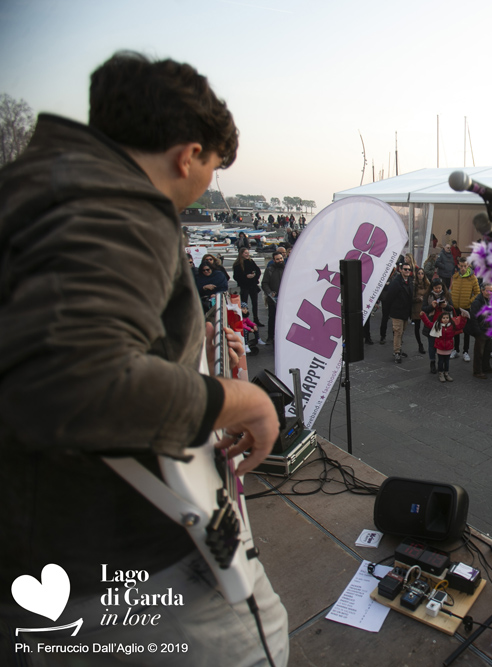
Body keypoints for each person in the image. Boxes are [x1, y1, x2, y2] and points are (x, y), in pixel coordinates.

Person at [0, 51, 287, 664]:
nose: (205, 184)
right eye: (212, 167)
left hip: (42, 558)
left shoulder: (32, 190)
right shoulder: (117, 207)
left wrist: (196, 362)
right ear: (188, 155)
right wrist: (245, 399)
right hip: (127, 564)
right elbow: (77, 382)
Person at [421, 307, 466, 382]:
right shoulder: (437, 325)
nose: (445, 319)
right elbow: (428, 323)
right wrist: (423, 316)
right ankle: (441, 373)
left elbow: (460, 326)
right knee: (441, 361)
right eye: (444, 318)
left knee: (447, 361)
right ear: (440, 319)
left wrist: (464, 318)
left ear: (449, 318)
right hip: (440, 347)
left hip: (448, 347)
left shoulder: (452, 325)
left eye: (447, 318)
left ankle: (446, 373)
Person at [382, 261, 414, 363]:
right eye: (405, 269)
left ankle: (399, 349)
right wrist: (389, 310)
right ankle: (396, 352)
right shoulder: (396, 282)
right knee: (397, 332)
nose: (407, 271)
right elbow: (390, 297)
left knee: (402, 331)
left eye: (409, 269)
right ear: (400, 270)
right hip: (397, 311)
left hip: (405, 312)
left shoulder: (409, 281)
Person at [450, 257, 481, 361]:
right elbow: (452, 289)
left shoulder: (473, 278)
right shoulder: (455, 276)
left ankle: (465, 351)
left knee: (466, 330)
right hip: (455, 307)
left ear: (468, 266)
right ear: (458, 265)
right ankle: (456, 350)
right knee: (455, 329)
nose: (463, 268)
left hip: (466, 308)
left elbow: (477, 293)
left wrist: (470, 301)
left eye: (465, 266)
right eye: (461, 266)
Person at [468, 284, 492, 379]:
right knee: (479, 352)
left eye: (491, 291)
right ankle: (477, 371)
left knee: (487, 350)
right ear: (482, 291)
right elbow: (473, 318)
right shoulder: (477, 302)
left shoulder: (490, 300)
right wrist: (477, 331)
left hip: (488, 329)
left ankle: (486, 367)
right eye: (487, 291)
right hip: (481, 330)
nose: (489, 293)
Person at [233, 246, 263, 325]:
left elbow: (258, 271)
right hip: (244, 286)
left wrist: (254, 276)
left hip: (252, 285)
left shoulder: (251, 261)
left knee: (255, 303)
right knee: (244, 304)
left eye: (248, 253)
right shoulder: (237, 264)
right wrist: (246, 276)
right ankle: (244, 319)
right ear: (241, 254)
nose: (247, 254)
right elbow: (236, 276)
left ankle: (256, 319)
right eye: (245, 253)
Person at [261, 249, 285, 344]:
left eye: (281, 258)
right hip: (273, 299)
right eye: (277, 259)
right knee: (272, 318)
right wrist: (270, 293)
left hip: (285, 299)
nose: (280, 260)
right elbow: (264, 283)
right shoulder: (269, 270)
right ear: (274, 260)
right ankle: (270, 337)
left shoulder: (287, 268)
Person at [410, 266, 431, 355]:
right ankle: (420, 344)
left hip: (425, 308)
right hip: (416, 308)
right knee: (417, 327)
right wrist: (418, 298)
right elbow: (411, 298)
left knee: (428, 325)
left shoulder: (427, 284)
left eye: (422, 273)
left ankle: (431, 343)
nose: (420, 275)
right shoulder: (414, 284)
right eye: (419, 273)